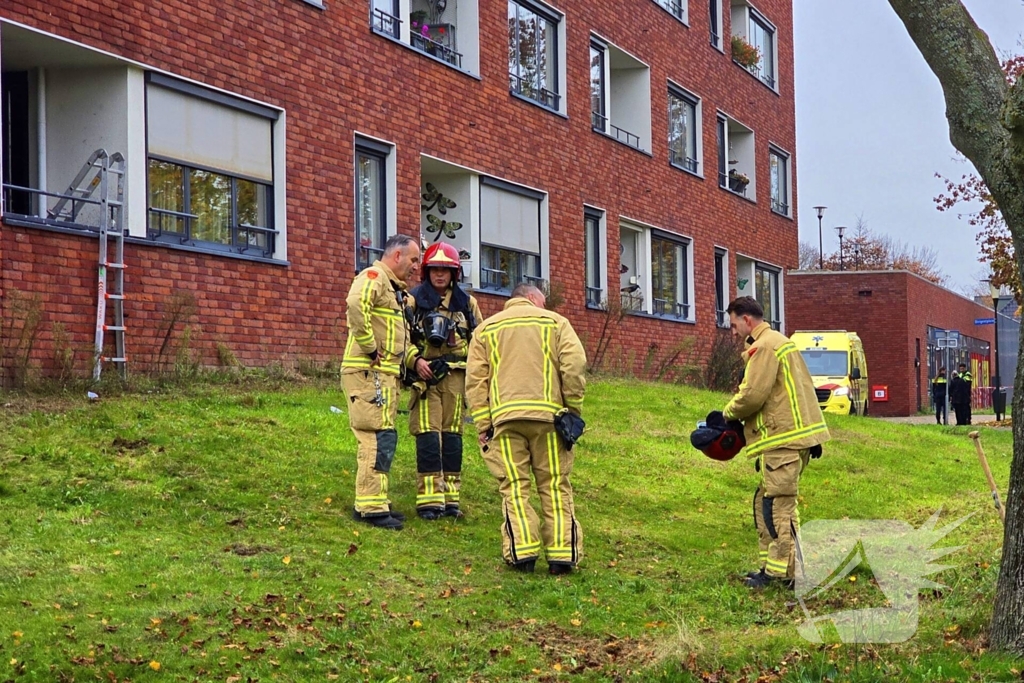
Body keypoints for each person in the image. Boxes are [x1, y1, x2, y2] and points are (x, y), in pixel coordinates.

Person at [466, 283, 587, 575]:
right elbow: (575, 365)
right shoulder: (556, 323)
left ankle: (522, 555)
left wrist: (484, 423)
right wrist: (572, 409)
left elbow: (475, 381)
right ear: (532, 298)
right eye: (542, 301)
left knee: (514, 487)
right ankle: (562, 556)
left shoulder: (485, 330)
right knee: (555, 485)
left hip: (505, 422)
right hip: (550, 421)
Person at [719, 297, 830, 589]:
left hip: (784, 440)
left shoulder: (765, 346)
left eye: (733, 325)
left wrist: (727, 414)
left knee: (778, 509)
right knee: (765, 502)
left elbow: (753, 394)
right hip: (793, 438)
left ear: (747, 320)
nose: (731, 332)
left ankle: (787, 575)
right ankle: (774, 569)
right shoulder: (781, 342)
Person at [342, 234, 421, 530]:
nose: (416, 267)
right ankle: (370, 507)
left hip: (382, 375)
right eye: (413, 260)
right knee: (375, 436)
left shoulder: (394, 290)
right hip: (368, 372)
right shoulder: (373, 277)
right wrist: (370, 347)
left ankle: (377, 500)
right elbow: (354, 304)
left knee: (384, 436)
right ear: (397, 256)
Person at [406, 242, 483, 520]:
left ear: (455, 273)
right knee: (427, 434)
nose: (440, 275)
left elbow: (480, 342)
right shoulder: (413, 300)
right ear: (427, 272)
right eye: (435, 270)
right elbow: (399, 337)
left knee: (452, 436)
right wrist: (415, 360)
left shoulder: (467, 303)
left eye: (446, 270)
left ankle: (451, 500)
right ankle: (429, 500)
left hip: (456, 378)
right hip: (426, 379)